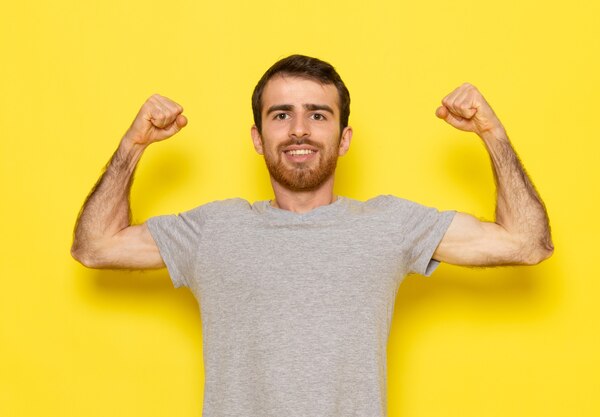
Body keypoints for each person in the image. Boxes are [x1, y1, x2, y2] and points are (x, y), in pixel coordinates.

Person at [71, 54, 553, 417]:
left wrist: (491, 132)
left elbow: (526, 243)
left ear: (344, 138)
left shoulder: (388, 224)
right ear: (257, 138)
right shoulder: (212, 230)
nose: (299, 130)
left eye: (318, 115)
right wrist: (134, 145)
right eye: (281, 115)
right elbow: (95, 246)